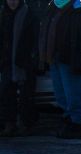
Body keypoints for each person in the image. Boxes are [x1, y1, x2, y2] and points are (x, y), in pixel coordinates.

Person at [43, 0, 81, 139]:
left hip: (71, 58)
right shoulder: (53, 7)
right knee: (62, 94)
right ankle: (69, 120)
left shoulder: (80, 10)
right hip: (55, 57)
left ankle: (78, 124)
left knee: (74, 93)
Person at [0, 0, 39, 137]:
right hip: (7, 61)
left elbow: (35, 37)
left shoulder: (29, 13)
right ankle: (9, 124)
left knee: (26, 96)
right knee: (6, 93)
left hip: (24, 61)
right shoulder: (3, 13)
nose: (12, 2)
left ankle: (26, 124)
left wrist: (33, 57)